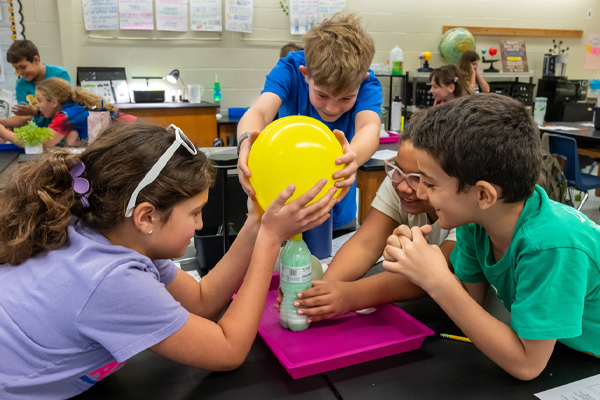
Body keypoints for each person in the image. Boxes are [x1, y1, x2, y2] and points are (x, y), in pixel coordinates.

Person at [0, 123, 337, 399]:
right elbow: (228, 350)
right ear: (146, 216)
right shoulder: (108, 279)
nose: (201, 224)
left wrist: (256, 223)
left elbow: (202, 302)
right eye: (194, 213)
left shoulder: (113, 233)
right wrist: (270, 240)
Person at [383, 94, 600, 380]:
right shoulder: (476, 224)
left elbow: (527, 365)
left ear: (483, 194)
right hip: (564, 350)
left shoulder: (549, 247)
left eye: (430, 183)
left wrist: (436, 280)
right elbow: (472, 310)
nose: (421, 193)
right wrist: (418, 260)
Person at [276, 131, 456, 322]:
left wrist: (351, 296)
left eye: (418, 178)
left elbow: (436, 270)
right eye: (397, 169)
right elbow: (366, 244)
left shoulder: (463, 209)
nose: (403, 186)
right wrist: (319, 292)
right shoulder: (399, 180)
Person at [236, 13, 383, 231]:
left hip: (335, 213)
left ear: (361, 81)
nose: (332, 108)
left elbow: (369, 127)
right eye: (322, 95)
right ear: (305, 74)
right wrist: (246, 140)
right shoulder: (290, 68)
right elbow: (259, 111)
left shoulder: (367, 84)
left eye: (346, 98)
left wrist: (351, 158)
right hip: (283, 208)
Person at [6, 39, 71, 128]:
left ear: (36, 59)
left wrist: (34, 111)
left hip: (61, 133)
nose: (19, 72)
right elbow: (25, 117)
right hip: (41, 137)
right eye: (16, 68)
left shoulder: (59, 74)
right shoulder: (21, 85)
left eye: (22, 67)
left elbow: (65, 108)